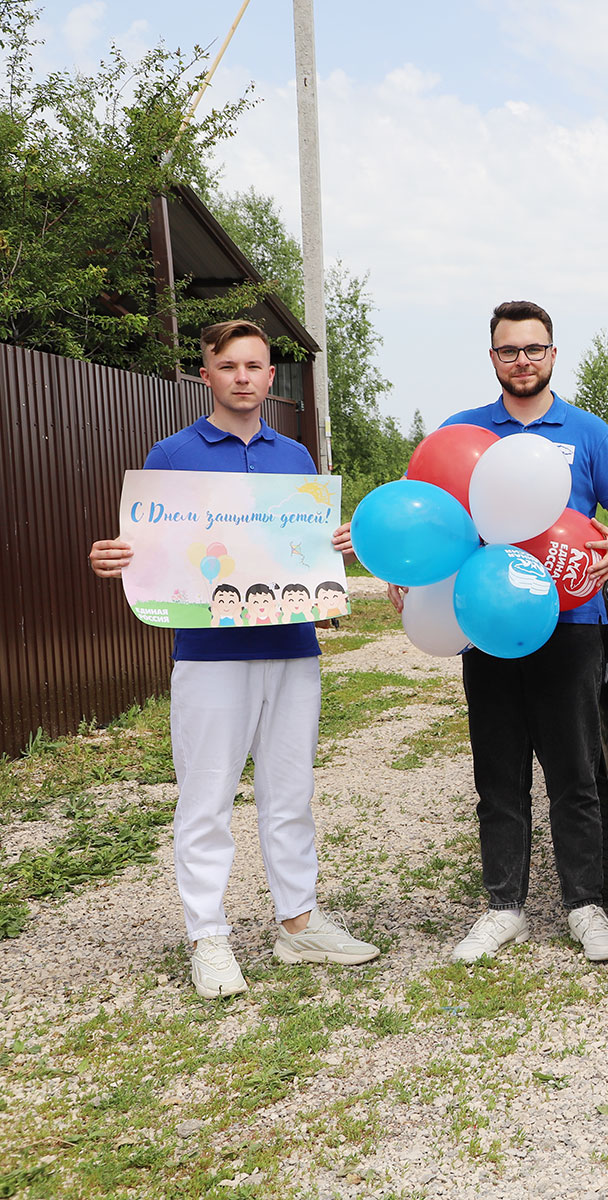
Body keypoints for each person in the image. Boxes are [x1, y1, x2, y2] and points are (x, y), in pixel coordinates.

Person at [87, 319, 378, 998]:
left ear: (272, 378)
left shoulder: (297, 459)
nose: (243, 377)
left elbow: (303, 551)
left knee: (290, 793)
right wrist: (116, 557)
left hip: (291, 645)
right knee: (208, 797)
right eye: (229, 366)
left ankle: (298, 925)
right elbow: (149, 548)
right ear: (205, 375)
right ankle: (208, 936)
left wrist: (339, 548)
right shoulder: (170, 454)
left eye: (255, 365)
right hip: (210, 651)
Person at [396, 300, 608, 965]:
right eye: (510, 351)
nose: (523, 361)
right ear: (493, 359)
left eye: (534, 349)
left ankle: (584, 905)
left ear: (552, 354)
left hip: (571, 623)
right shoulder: (462, 433)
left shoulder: (589, 432)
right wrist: (407, 572)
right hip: (484, 620)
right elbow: (421, 517)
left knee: (575, 771)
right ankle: (502, 908)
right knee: (498, 772)